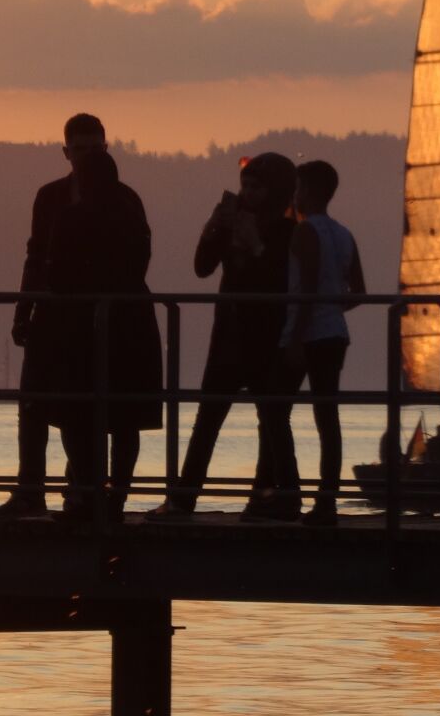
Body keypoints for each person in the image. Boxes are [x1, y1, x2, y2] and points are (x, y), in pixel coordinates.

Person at [149, 152, 297, 522]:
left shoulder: (289, 231)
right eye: (245, 185)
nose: (247, 193)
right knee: (208, 418)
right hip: (228, 337)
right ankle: (184, 499)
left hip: (266, 337)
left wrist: (255, 244)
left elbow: (276, 279)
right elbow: (202, 267)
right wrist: (214, 228)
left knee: (272, 421)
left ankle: (270, 498)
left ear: (276, 191)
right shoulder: (233, 223)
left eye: (256, 187)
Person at [0, 113, 109, 520]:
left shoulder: (120, 199)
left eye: (96, 149)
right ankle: (30, 490)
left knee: (85, 409)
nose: (89, 157)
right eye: (81, 150)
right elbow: (35, 254)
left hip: (94, 318)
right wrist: (24, 310)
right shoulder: (49, 196)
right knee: (33, 403)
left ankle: (83, 492)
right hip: (51, 313)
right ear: (66, 153)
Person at [41, 149, 161, 520]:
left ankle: (89, 495)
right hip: (134, 321)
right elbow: (142, 261)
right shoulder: (132, 213)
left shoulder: (70, 217)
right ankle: (117, 498)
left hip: (81, 323)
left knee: (75, 414)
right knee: (125, 419)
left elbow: (55, 275)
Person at [272, 159, 365, 527]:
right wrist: (332, 306)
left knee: (276, 409)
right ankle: (326, 499)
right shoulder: (344, 234)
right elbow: (358, 291)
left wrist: (295, 339)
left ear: (307, 191)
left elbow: (307, 288)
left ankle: (289, 493)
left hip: (306, 332)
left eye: (297, 188)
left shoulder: (304, 231)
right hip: (335, 333)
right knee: (327, 417)